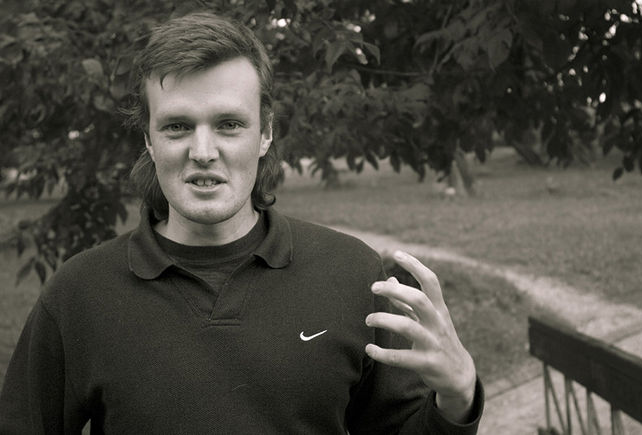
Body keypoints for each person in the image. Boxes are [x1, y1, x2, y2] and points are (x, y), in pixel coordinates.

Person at [0, 12, 483, 434]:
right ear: (148, 139)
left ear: (265, 133)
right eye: (177, 126)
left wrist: (457, 397)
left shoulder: (351, 274)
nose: (203, 152)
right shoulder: (80, 294)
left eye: (229, 124)